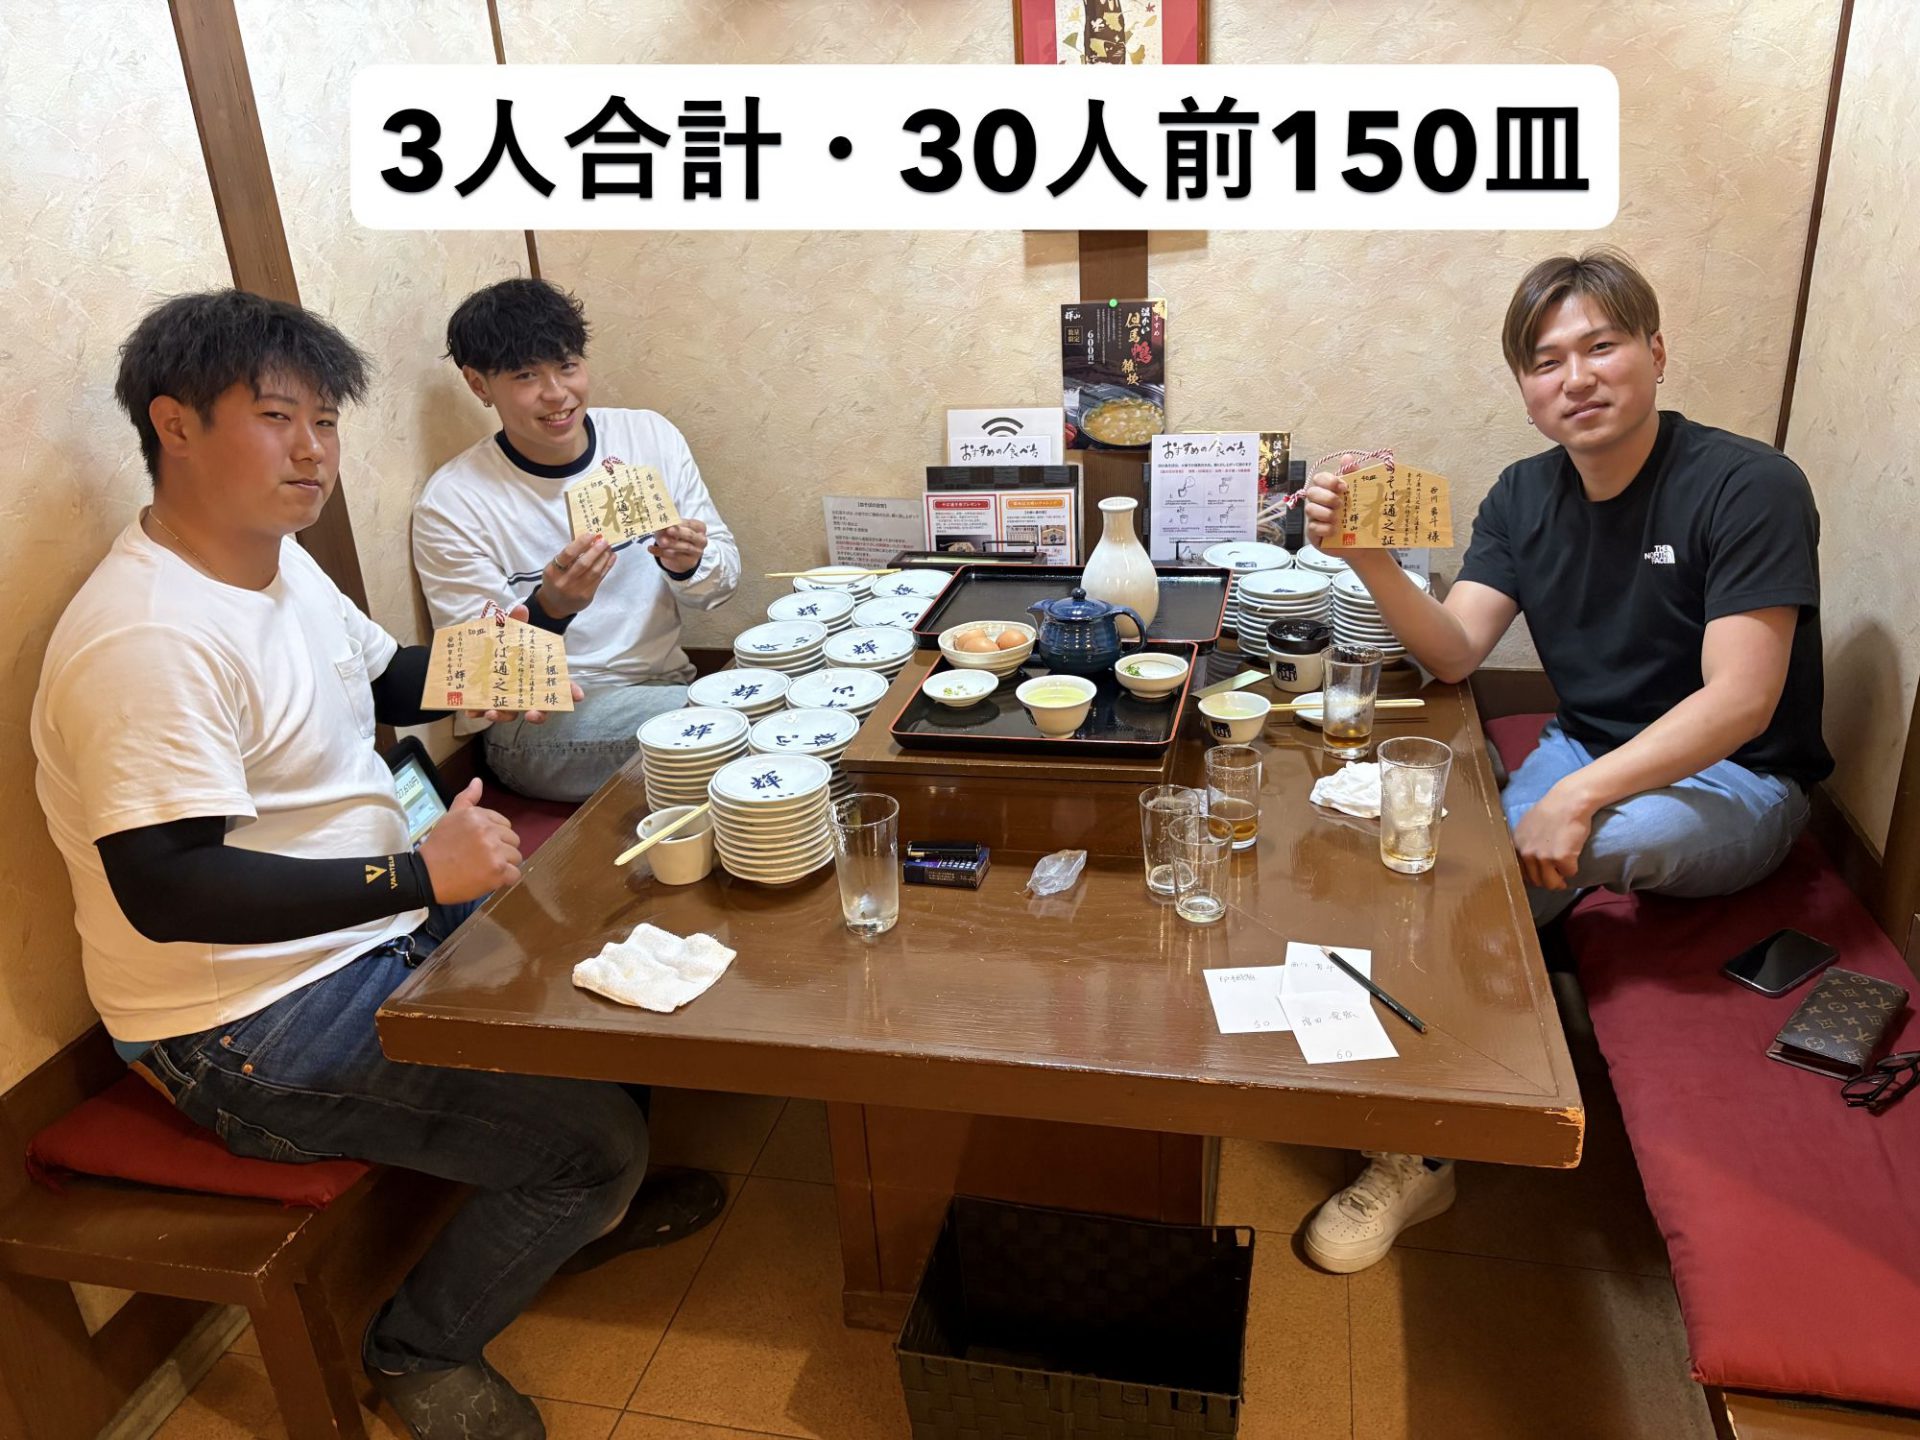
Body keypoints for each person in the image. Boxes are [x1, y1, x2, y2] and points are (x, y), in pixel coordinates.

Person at [31, 290, 725, 1440]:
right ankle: (419, 1351)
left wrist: (541, 626)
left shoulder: (276, 566)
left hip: (368, 926)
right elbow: (164, 890)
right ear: (176, 426)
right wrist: (417, 879)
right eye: (276, 419)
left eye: (325, 422)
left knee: (602, 975)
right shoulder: (147, 635)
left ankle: (574, 1220)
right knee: (591, 1149)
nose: (312, 451)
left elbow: (398, 678)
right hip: (243, 1021)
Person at [1297, 247, 1831, 1274]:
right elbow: (1456, 652)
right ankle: (1425, 1128)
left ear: (1656, 353)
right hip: (1585, 744)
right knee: (1441, 861)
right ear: (1525, 388)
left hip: (1741, 777)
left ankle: (1433, 1116)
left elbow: (1741, 700)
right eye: (1546, 362)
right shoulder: (1522, 496)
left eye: (1602, 346)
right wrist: (1368, 561)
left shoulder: (1749, 484)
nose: (1576, 378)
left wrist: (1577, 796)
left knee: (1536, 859)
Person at [413, 277, 740, 802]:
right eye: (526, 375)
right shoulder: (453, 502)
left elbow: (719, 587)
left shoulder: (647, 436)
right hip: (540, 725)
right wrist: (552, 608)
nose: (556, 393)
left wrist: (689, 565)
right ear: (478, 385)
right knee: (741, 727)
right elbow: (487, 684)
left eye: (567, 365)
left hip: (668, 685)